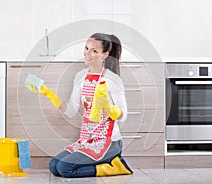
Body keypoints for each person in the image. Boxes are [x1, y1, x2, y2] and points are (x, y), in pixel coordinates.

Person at [27, 33, 133, 178]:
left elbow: (123, 116)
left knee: (65, 169)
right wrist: (47, 93)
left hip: (109, 142)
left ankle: (115, 167)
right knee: (54, 166)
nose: (87, 53)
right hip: (87, 139)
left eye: (94, 51)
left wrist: (108, 107)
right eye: (86, 48)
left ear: (105, 54)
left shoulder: (112, 80)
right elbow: (71, 111)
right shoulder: (80, 76)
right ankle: (100, 162)